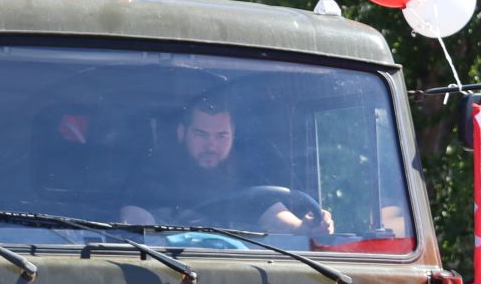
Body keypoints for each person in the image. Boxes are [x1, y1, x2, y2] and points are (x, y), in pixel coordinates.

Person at [118, 97, 333, 236]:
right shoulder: (153, 177)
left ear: (233, 136)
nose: (211, 145)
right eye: (201, 134)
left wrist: (306, 229)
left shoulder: (247, 177)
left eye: (221, 136)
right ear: (182, 133)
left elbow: (277, 219)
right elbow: (136, 222)